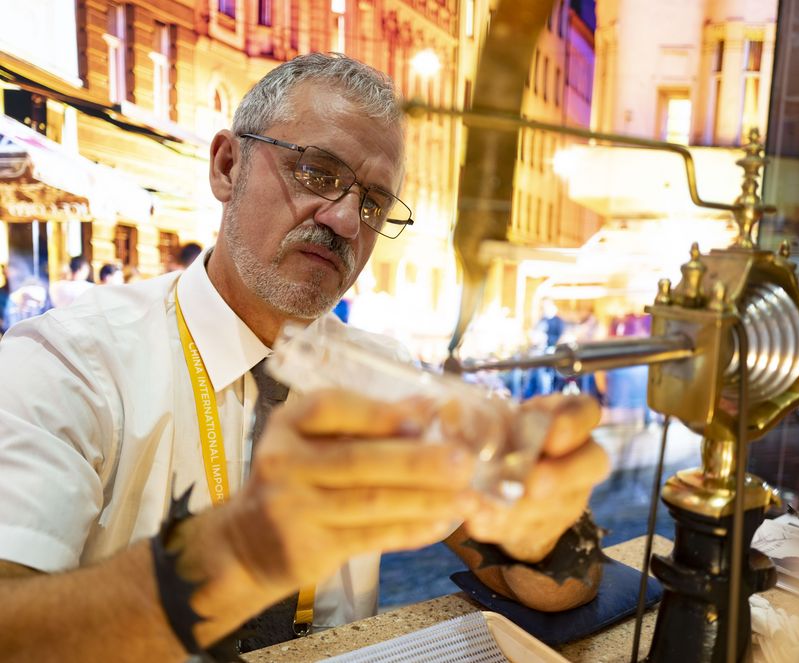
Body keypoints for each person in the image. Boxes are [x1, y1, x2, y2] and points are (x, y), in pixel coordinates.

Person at [0, 53, 608, 661]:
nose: (345, 221)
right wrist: (247, 550)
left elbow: (559, 584)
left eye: (373, 204)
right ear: (227, 166)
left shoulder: (381, 379)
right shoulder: (69, 363)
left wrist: (544, 525)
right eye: (316, 172)